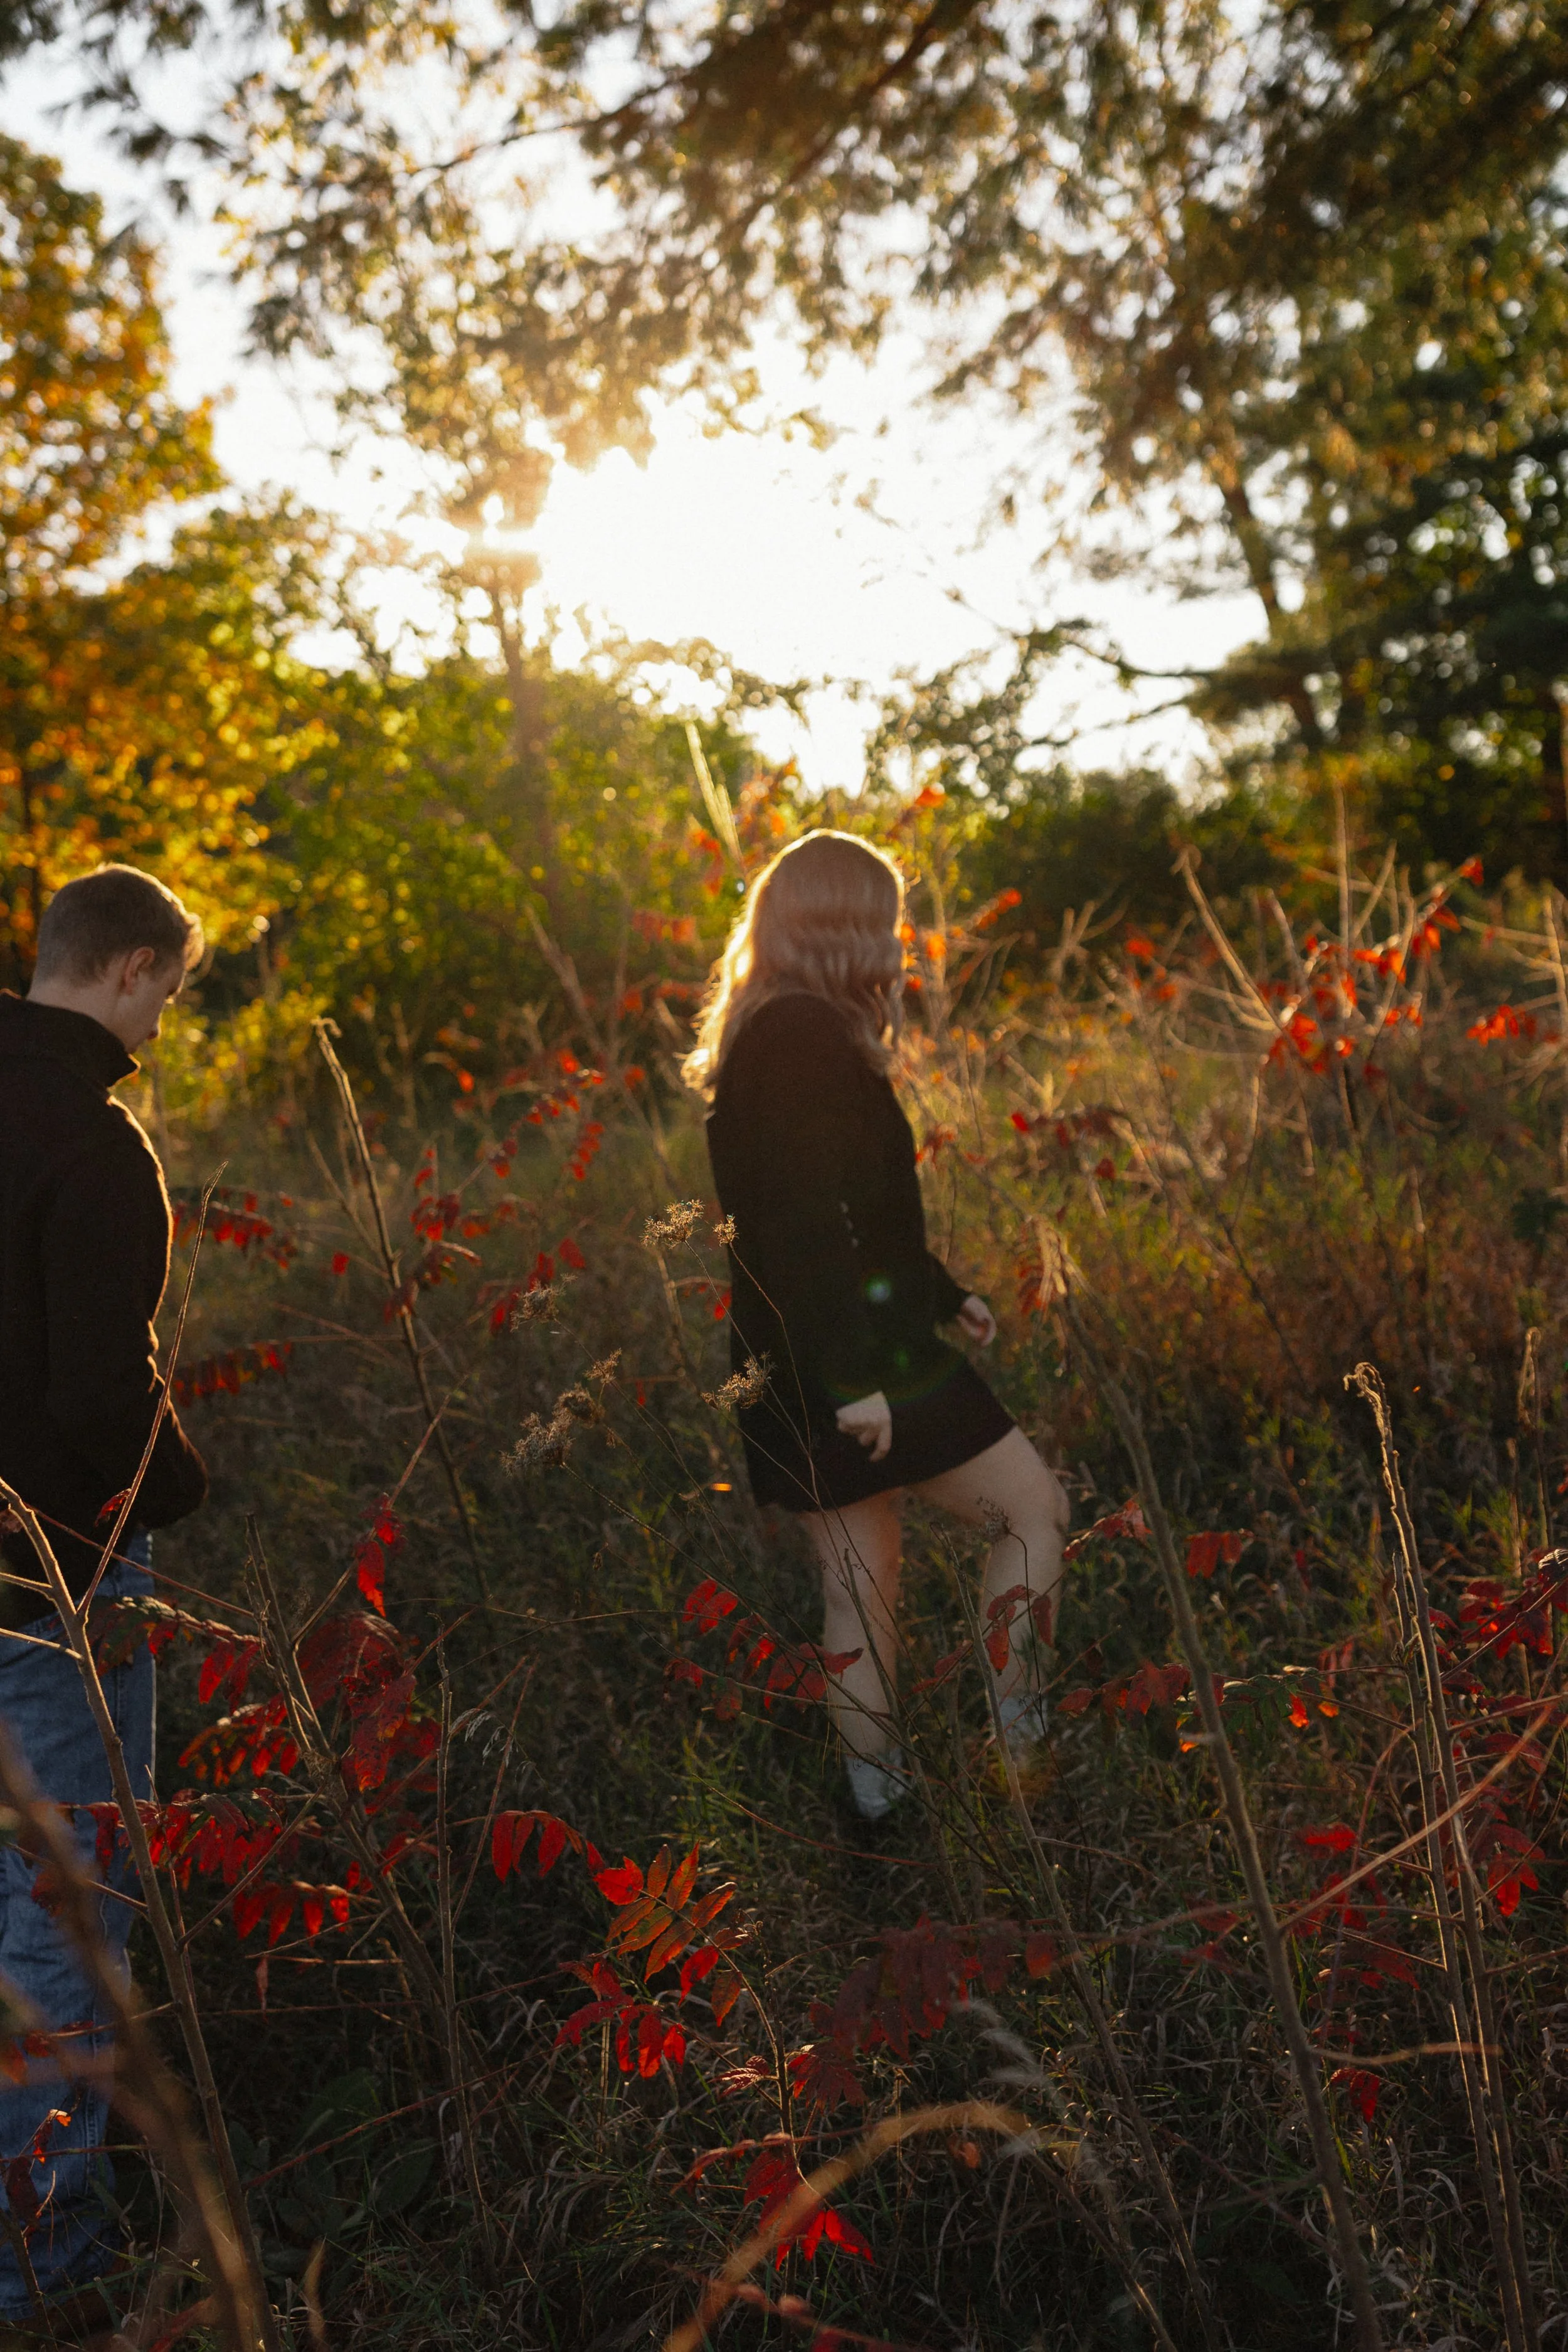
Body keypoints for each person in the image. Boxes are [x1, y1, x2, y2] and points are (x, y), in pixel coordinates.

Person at [690, 830, 1069, 1820]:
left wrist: (939, 1293)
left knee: (862, 1584)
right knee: (1032, 1510)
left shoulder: (771, 1029)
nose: (900, 940)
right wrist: (854, 1378)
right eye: (888, 920)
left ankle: (883, 1804)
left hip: (803, 1354)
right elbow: (806, 1227)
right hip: (848, 1361)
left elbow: (844, 1208)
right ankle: (1019, 1734)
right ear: (846, 925)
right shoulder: (803, 1037)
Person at [0, 866, 208, 2329]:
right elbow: (97, 1395)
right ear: (131, 969)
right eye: (171, 996)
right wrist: (181, 1489)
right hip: (51, 1583)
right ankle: (42, 2263)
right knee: (66, 1911)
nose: (161, 1025)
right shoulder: (94, 1140)